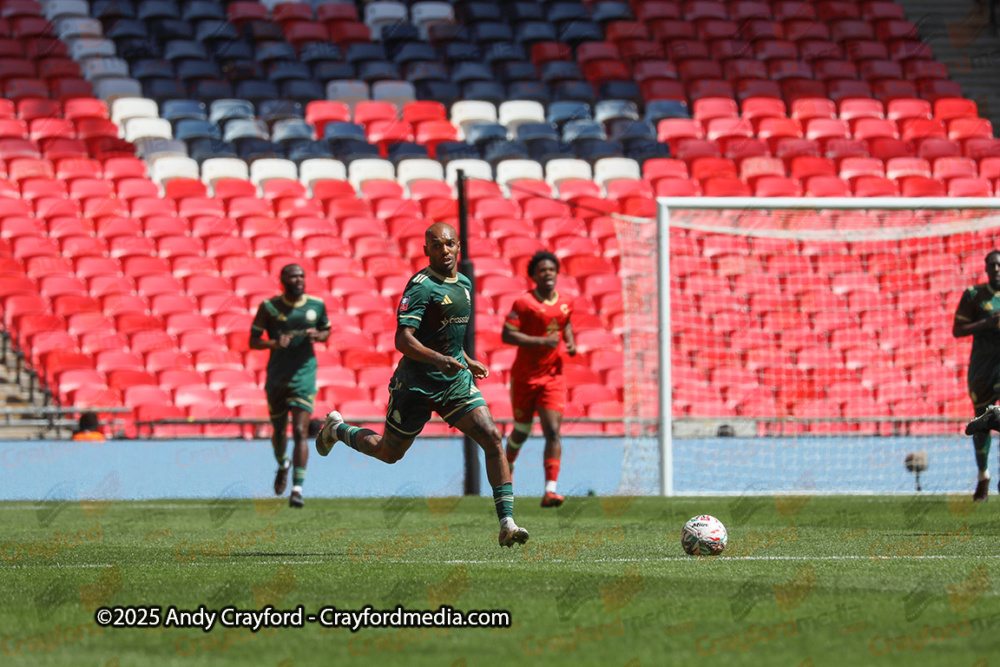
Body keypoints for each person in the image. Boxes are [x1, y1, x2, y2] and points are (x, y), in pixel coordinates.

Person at [315, 222, 530, 547]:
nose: (444, 250)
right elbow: (403, 339)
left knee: (492, 436)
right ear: (426, 249)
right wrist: (436, 359)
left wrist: (465, 359)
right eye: (436, 245)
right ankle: (337, 430)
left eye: (449, 244)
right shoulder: (421, 286)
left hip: (453, 381)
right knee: (387, 452)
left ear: (458, 246)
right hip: (415, 384)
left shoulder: (465, 284)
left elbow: (447, 336)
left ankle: (507, 523)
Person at [250, 264, 331, 508]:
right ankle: (283, 463)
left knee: (299, 431)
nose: (299, 280)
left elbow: (326, 330)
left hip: (304, 376)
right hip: (277, 377)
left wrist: (318, 336)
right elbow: (253, 341)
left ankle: (297, 489)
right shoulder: (269, 307)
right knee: (278, 431)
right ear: (283, 281)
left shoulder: (316, 305)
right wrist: (273, 343)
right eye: (293, 277)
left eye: (302, 276)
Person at [502, 251, 577, 508]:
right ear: (533, 276)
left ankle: (550, 491)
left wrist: (570, 341)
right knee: (521, 432)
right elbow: (507, 335)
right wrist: (540, 342)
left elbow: (564, 322)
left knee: (553, 431)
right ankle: (505, 473)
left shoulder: (567, 301)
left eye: (552, 270)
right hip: (525, 377)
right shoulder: (524, 304)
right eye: (542, 270)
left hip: (553, 377)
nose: (548, 274)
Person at [956, 250, 1000, 501]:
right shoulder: (974, 296)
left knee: (990, 417)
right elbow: (957, 330)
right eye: (992, 265)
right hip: (981, 368)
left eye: (999, 265)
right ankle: (983, 475)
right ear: (986, 268)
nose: (996, 269)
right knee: (982, 425)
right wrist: (987, 322)